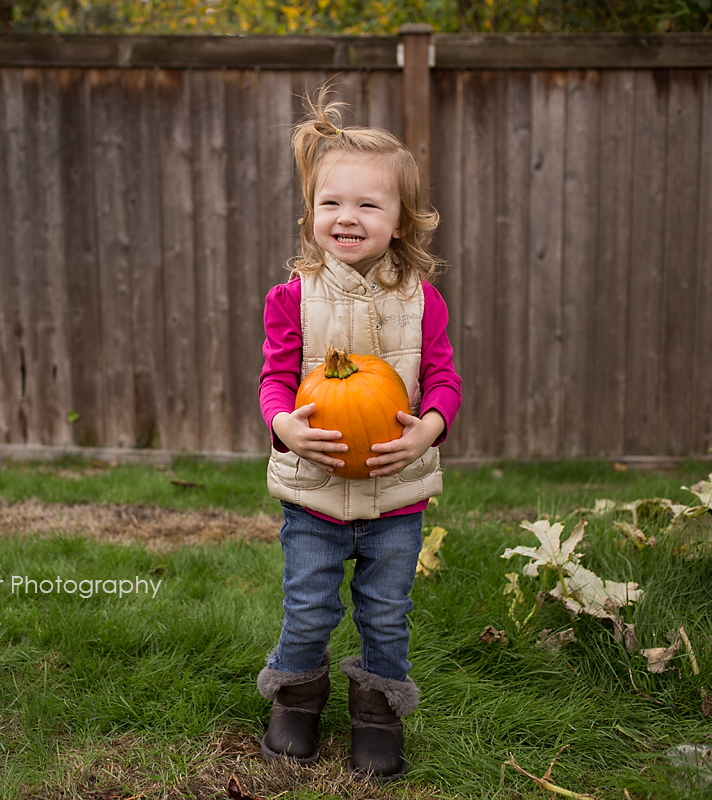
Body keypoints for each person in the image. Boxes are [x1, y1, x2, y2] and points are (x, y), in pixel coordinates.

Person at [256, 88, 462, 782]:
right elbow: (275, 381)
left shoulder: (421, 300)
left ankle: (377, 714)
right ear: (312, 213)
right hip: (313, 495)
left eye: (368, 205)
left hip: (396, 497)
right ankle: (296, 701)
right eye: (330, 203)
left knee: (385, 613)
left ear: (402, 220)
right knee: (308, 606)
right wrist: (285, 426)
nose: (346, 217)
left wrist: (427, 430)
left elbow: (443, 380)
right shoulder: (291, 298)